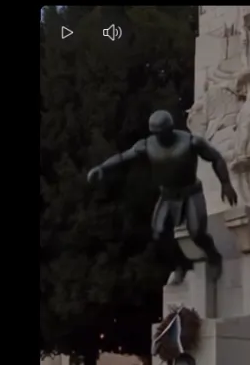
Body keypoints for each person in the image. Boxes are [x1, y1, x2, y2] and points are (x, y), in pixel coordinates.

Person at [87, 110, 238, 284]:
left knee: (197, 232)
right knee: (159, 234)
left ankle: (213, 256)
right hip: (168, 195)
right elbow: (123, 157)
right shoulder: (147, 145)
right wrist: (102, 168)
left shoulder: (191, 142)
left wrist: (225, 183)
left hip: (191, 192)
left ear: (170, 129)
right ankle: (180, 265)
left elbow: (216, 158)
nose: (158, 136)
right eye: (155, 133)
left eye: (161, 133)